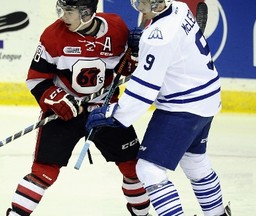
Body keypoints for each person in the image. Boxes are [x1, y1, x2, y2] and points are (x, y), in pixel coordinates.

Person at [86, 0, 232, 215]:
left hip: (183, 106)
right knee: (194, 160)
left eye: (141, 1)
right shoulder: (179, 8)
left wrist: (115, 114)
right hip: (207, 98)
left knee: (149, 170)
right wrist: (145, 41)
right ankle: (218, 213)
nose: (137, 4)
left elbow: (145, 88)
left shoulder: (159, 37)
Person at [6, 0, 151, 215]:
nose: (62, 16)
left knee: (133, 167)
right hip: (65, 114)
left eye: (69, 11)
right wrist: (57, 99)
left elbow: (125, 69)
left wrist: (135, 54)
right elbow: (37, 79)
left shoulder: (117, 28)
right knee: (43, 172)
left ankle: (142, 213)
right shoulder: (53, 36)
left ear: (86, 13)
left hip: (105, 110)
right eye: (61, 9)